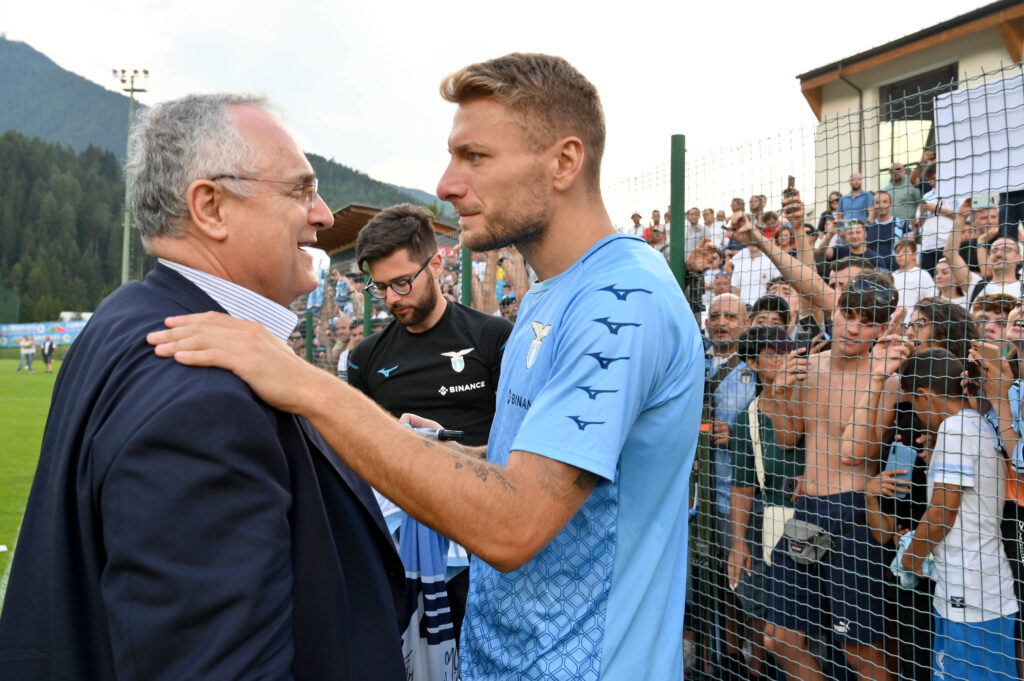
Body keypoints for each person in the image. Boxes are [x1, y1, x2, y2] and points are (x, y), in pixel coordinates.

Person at [149, 53, 703, 681]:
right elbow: (528, 465)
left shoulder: (622, 303)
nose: (445, 183)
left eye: (475, 157)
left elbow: (514, 522)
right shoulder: (554, 291)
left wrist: (308, 386)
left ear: (564, 162)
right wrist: (434, 448)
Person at [0, 94, 407, 680]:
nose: (321, 215)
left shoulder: (132, 314)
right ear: (210, 207)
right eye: (300, 190)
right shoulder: (200, 395)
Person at [347, 202, 513, 641]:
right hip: (402, 548)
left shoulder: (492, 338)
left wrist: (446, 452)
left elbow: (519, 447)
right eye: (379, 287)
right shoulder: (366, 358)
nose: (392, 299)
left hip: (482, 542)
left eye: (402, 282)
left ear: (436, 263)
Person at [899, 349, 1018, 681]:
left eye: (913, 405)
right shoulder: (974, 424)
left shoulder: (955, 430)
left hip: (971, 595)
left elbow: (940, 514)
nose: (916, 415)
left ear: (924, 395)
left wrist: (910, 558)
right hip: (973, 588)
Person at [726, 325, 806, 681]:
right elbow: (742, 486)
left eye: (786, 350)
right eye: (772, 354)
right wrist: (738, 543)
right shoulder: (748, 420)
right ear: (753, 364)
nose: (782, 359)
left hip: (824, 523)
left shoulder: (815, 398)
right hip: (775, 531)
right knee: (772, 628)